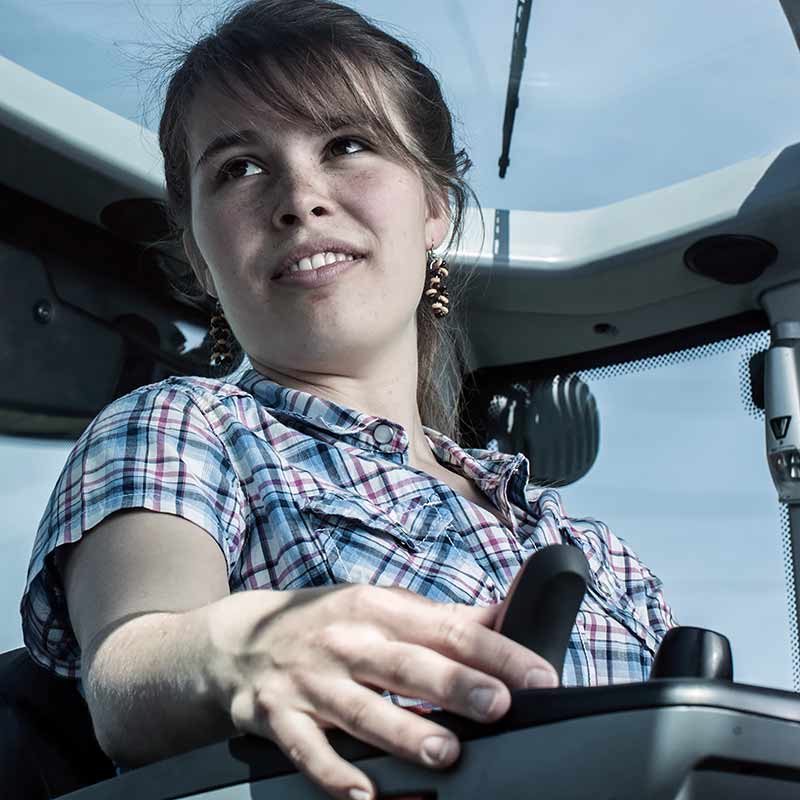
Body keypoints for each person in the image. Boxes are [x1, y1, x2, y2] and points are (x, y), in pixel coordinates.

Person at [20, 2, 676, 799]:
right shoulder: (182, 426)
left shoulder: (603, 558)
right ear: (198, 250)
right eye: (239, 168)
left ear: (435, 205)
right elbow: (132, 668)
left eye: (348, 145)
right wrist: (243, 648)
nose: (300, 197)